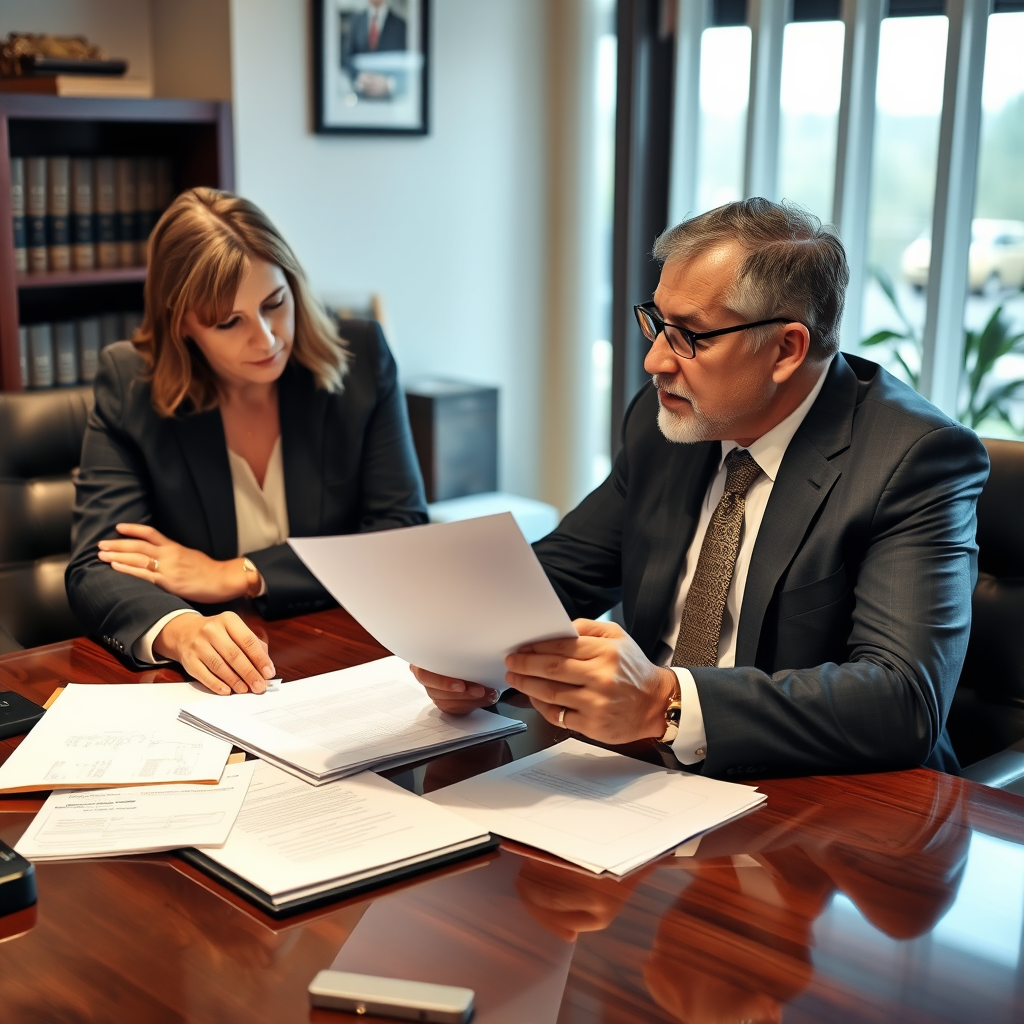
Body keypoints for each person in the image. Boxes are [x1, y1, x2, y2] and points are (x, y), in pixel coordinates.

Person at [414, 198, 990, 777]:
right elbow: (565, 571)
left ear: (786, 349)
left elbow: (901, 701)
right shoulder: (669, 421)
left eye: (690, 335)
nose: (655, 361)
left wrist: (666, 703)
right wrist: (471, 652)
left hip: (824, 793)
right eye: (657, 323)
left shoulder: (914, 459)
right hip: (639, 771)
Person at [66, 187, 427, 695]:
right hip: (215, 686)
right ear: (183, 324)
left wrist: (242, 573)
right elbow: (97, 567)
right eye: (228, 322)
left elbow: (401, 534)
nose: (266, 338)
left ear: (293, 286)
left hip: (345, 658)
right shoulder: (130, 383)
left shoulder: (362, 356)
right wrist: (182, 630)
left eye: (274, 303)